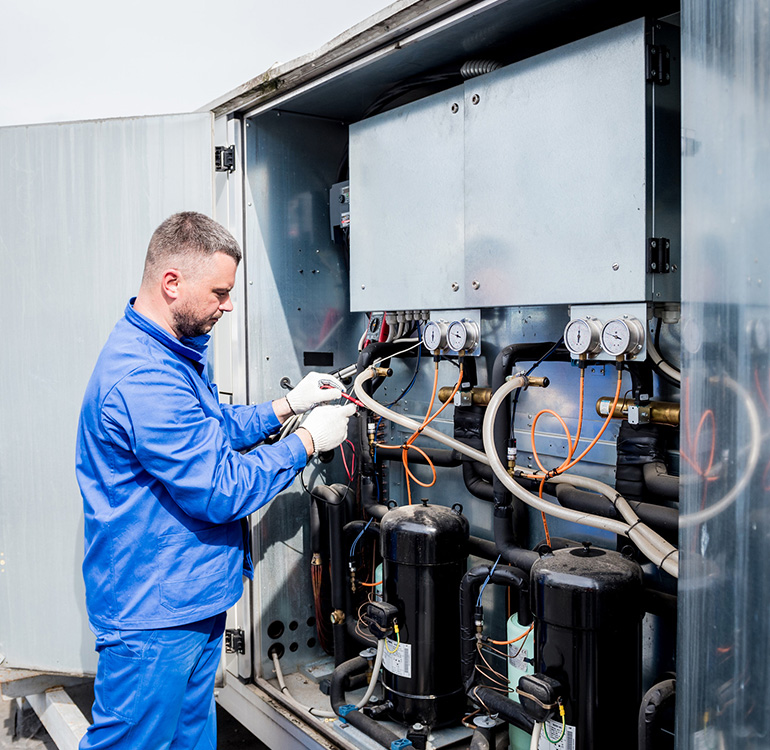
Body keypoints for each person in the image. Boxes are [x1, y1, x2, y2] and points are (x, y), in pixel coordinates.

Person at [75, 211, 355, 749]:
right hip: (153, 615)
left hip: (189, 598)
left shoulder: (171, 352)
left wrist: (284, 408)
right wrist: (307, 442)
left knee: (188, 739)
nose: (228, 305)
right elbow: (219, 488)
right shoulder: (144, 376)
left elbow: (207, 431)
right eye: (220, 292)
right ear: (171, 282)